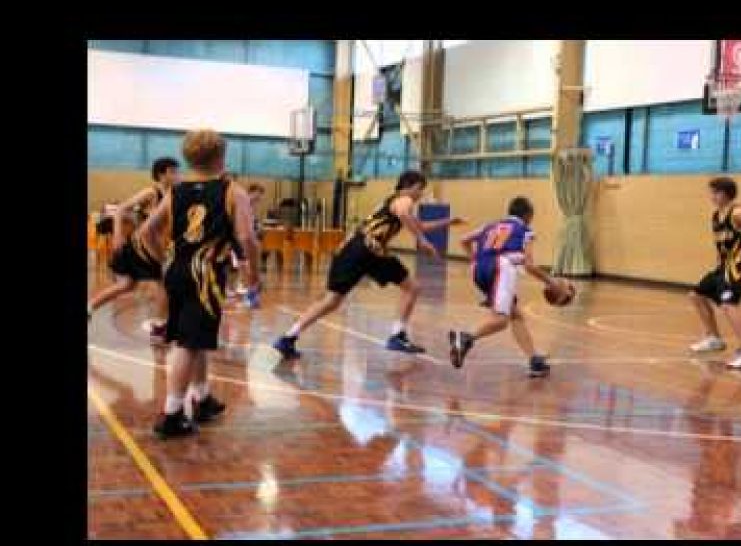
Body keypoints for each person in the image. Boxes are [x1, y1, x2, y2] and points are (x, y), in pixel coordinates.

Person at [138, 130, 260, 438]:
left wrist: (163, 260)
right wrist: (254, 276)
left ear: (189, 159)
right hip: (204, 275)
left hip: (178, 270)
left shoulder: (175, 191)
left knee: (196, 337)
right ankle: (172, 414)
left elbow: (145, 232)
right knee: (187, 344)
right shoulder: (233, 191)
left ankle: (202, 398)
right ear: (222, 156)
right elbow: (246, 237)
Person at [272, 170, 462, 358]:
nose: (420, 194)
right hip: (370, 248)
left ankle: (288, 337)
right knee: (412, 287)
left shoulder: (393, 201)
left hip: (350, 249)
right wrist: (422, 241)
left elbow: (416, 224)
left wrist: (448, 222)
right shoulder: (404, 199)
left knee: (331, 301)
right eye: (420, 189)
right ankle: (397, 335)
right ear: (408, 187)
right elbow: (406, 214)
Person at [447, 196, 556, 377]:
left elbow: (464, 240)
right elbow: (529, 266)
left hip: (478, 269)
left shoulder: (490, 226)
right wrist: (552, 282)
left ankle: (534, 360)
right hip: (501, 268)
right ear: (528, 215)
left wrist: (475, 259)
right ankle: (466, 337)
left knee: (515, 315)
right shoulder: (525, 229)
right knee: (501, 320)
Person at [87, 157, 179, 343]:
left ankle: (89, 307)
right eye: (174, 172)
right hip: (142, 247)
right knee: (163, 285)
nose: (178, 175)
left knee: (126, 285)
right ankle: (160, 328)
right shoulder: (151, 192)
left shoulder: (172, 195)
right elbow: (121, 209)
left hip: (152, 247)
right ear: (162, 174)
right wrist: (119, 233)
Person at [688, 177, 741, 369]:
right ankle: (714, 338)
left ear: (723, 194)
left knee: (728, 304)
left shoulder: (738, 213)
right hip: (723, 266)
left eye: (713, 192)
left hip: (739, 265)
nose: (711, 196)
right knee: (696, 295)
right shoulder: (716, 215)